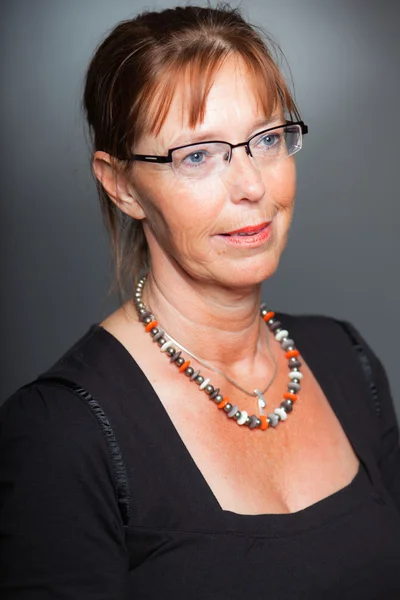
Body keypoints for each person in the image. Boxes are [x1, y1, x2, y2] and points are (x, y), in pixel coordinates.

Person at [1, 4, 399, 599]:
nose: (252, 187)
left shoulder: (347, 359)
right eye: (198, 155)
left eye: (265, 139)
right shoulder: (60, 434)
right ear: (121, 184)